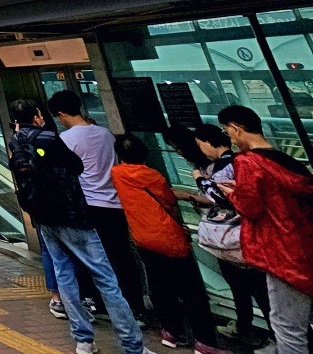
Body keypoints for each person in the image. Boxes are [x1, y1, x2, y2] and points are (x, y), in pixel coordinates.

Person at [8, 99, 153, 354]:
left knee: (65, 275)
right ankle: (133, 344)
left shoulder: (16, 141)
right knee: (106, 277)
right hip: (75, 214)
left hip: (45, 218)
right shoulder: (52, 138)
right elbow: (76, 166)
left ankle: (83, 340)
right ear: (39, 115)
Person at [110, 134, 225, 353]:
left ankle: (171, 331)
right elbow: (168, 201)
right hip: (169, 239)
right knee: (192, 292)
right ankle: (204, 341)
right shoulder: (153, 176)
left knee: (160, 286)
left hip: (143, 238)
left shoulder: (117, 174)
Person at [215, 106, 313, 354]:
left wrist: (232, 193)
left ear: (236, 128)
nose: (230, 138)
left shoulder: (247, 162)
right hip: (305, 245)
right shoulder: (285, 160)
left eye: (227, 131)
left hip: (283, 253)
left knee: (287, 326)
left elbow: (250, 207)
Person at [48, 89, 146, 320]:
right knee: (122, 256)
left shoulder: (65, 140)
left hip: (88, 205)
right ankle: (134, 305)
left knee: (89, 257)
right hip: (115, 204)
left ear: (61, 114)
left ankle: (97, 303)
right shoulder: (105, 134)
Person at [194, 124, 271, 348]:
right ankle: (251, 328)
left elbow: (221, 197)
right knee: (259, 290)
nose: (201, 150)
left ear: (210, 143)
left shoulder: (222, 166)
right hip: (249, 234)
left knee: (253, 289)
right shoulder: (240, 161)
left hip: (236, 237)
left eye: (201, 144)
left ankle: (273, 336)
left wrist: (200, 179)